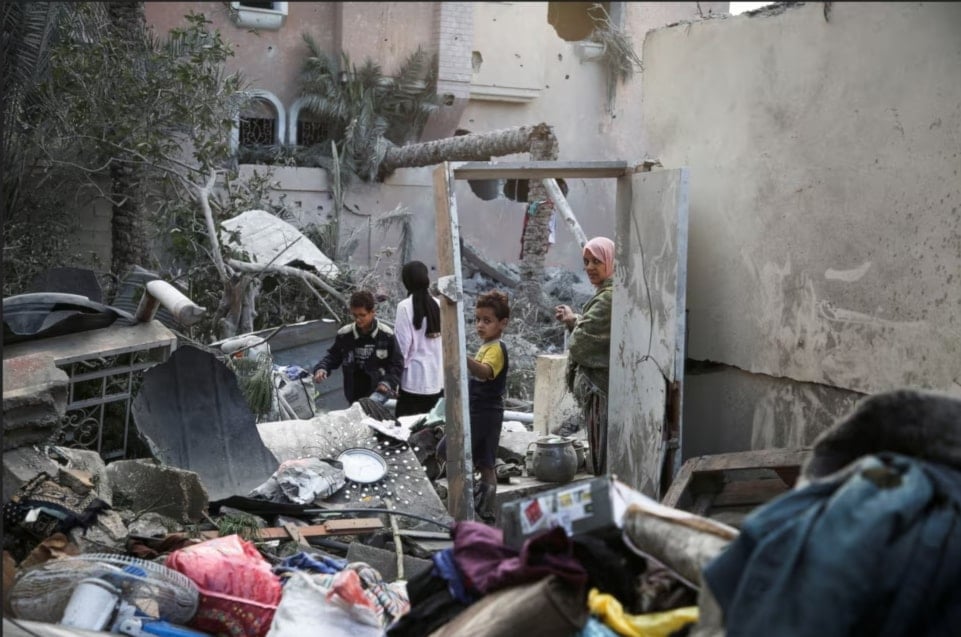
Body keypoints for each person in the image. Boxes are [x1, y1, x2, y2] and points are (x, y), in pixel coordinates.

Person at [437, 290, 511, 523]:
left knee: (478, 460)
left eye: (487, 321)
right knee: (479, 460)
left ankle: (483, 511)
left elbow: (485, 372)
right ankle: (476, 508)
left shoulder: (496, 349)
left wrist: (462, 356)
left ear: (503, 323)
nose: (480, 325)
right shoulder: (486, 346)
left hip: (486, 414)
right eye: (477, 320)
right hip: (477, 411)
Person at [554, 236, 615, 476]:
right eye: (586, 262)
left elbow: (581, 341)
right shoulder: (605, 294)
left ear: (610, 262)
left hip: (599, 391)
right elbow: (588, 329)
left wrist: (576, 327)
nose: (589, 267)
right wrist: (573, 320)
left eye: (597, 261)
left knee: (602, 455)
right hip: (598, 393)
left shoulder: (609, 297)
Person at [312, 290, 403, 405]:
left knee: (371, 411)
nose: (358, 319)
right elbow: (333, 356)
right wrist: (322, 368)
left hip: (380, 392)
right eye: (355, 315)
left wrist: (387, 382)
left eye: (362, 315)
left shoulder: (386, 335)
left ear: (372, 312)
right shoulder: (345, 334)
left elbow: (397, 364)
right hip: (354, 392)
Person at [394, 261, 444, 418]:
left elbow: (401, 348)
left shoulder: (404, 307)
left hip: (412, 382)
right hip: (436, 381)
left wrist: (394, 376)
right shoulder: (439, 304)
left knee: (406, 433)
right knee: (431, 432)